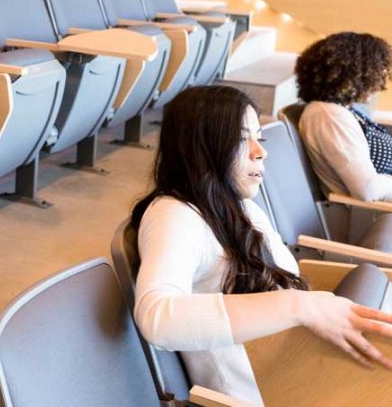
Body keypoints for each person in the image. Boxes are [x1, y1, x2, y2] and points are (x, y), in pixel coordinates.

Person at [131, 85, 392, 405]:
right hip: (266, 394)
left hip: (294, 373)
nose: (260, 151)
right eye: (243, 139)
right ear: (202, 146)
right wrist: (299, 305)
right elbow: (157, 317)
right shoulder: (175, 215)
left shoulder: (239, 206)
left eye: (259, 137)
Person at [295, 32, 392, 201]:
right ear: (356, 74)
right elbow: (367, 190)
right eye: (378, 72)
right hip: (371, 214)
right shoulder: (328, 117)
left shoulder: (341, 110)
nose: (381, 83)